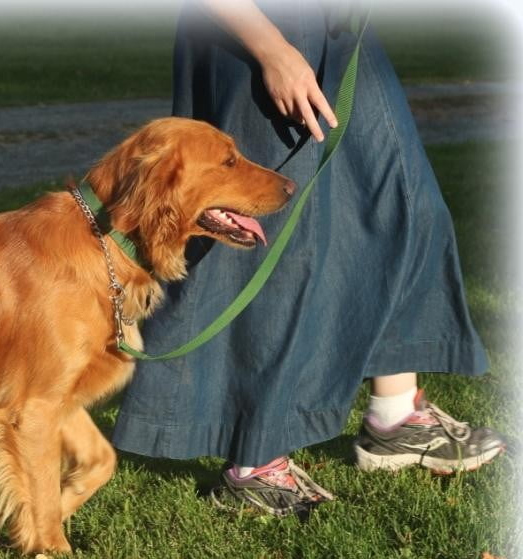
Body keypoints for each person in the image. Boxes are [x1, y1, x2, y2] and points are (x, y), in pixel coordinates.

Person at [111, 0, 507, 516]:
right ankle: (254, 459)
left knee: (403, 204)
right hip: (254, 34)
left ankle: (396, 417)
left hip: (340, 32)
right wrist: (270, 48)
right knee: (264, 238)